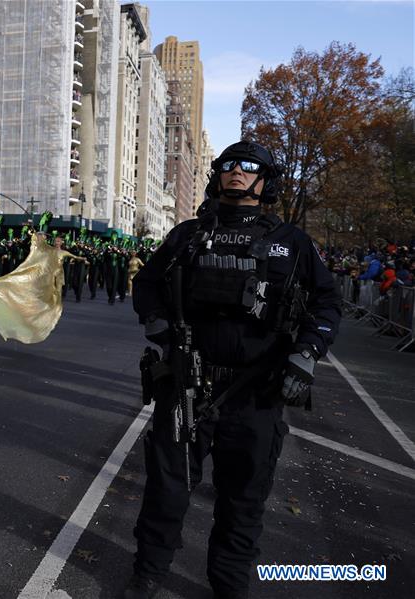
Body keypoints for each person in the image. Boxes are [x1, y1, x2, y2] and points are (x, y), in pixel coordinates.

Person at [123, 141, 341, 599]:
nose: (237, 171)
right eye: (228, 165)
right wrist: (158, 325)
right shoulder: (187, 235)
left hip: (256, 392)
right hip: (186, 386)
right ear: (217, 175)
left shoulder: (293, 243)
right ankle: (148, 574)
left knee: (243, 498)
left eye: (248, 166)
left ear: (265, 181)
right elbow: (146, 284)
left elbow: (327, 304)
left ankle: (229, 585)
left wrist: (307, 353)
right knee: (167, 490)